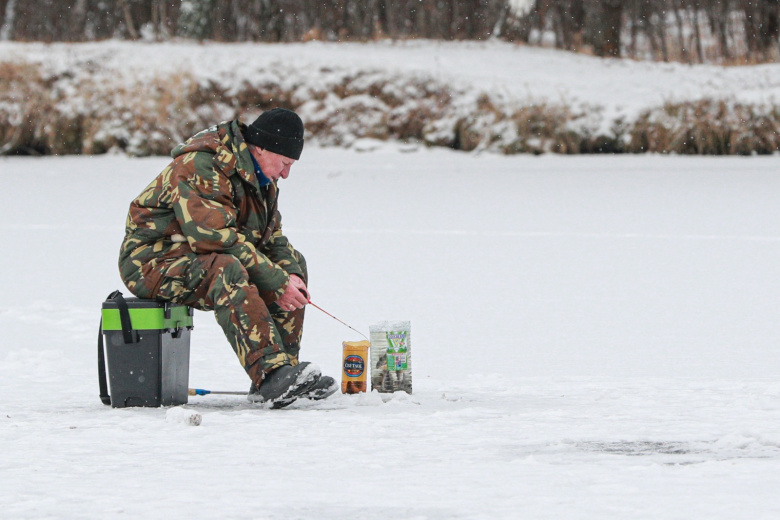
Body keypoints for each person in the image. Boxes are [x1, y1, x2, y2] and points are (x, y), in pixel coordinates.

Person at [118, 108, 336, 408]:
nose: (286, 174)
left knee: (292, 265)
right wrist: (276, 279)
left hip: (199, 255)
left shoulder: (262, 178)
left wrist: (290, 275)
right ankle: (272, 373)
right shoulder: (202, 165)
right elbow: (214, 238)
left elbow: (272, 238)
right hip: (152, 262)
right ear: (261, 147)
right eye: (284, 163)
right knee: (226, 268)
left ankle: (284, 373)